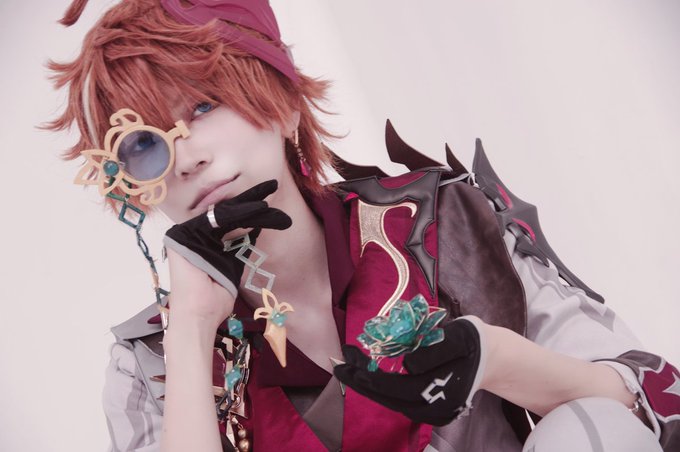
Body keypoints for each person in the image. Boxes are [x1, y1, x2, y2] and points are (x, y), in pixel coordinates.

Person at [47, 1, 679, 451]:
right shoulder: (147, 363)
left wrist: (495, 358)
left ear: (283, 103)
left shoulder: (445, 222)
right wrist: (189, 329)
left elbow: (651, 402)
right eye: (144, 145)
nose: (186, 158)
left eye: (205, 105)